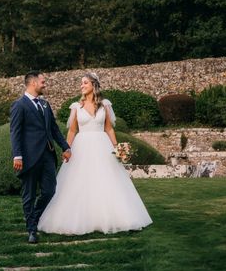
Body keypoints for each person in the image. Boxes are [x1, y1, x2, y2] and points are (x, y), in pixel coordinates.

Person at [37, 72, 153, 235]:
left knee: (106, 180)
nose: (82, 85)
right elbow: (72, 131)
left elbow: (109, 128)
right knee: (80, 181)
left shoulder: (104, 104)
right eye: (81, 83)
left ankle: (113, 217)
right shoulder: (76, 107)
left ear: (93, 85)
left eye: (85, 82)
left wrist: (117, 148)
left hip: (102, 145)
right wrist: (67, 149)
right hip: (81, 146)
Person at [10, 71, 72, 244]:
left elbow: (53, 129)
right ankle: (31, 230)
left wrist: (65, 147)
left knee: (49, 191)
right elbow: (15, 132)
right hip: (28, 158)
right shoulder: (19, 105)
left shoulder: (45, 105)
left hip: (47, 156)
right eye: (42, 82)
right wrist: (17, 155)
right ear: (33, 83)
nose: (45, 84)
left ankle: (34, 218)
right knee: (28, 194)